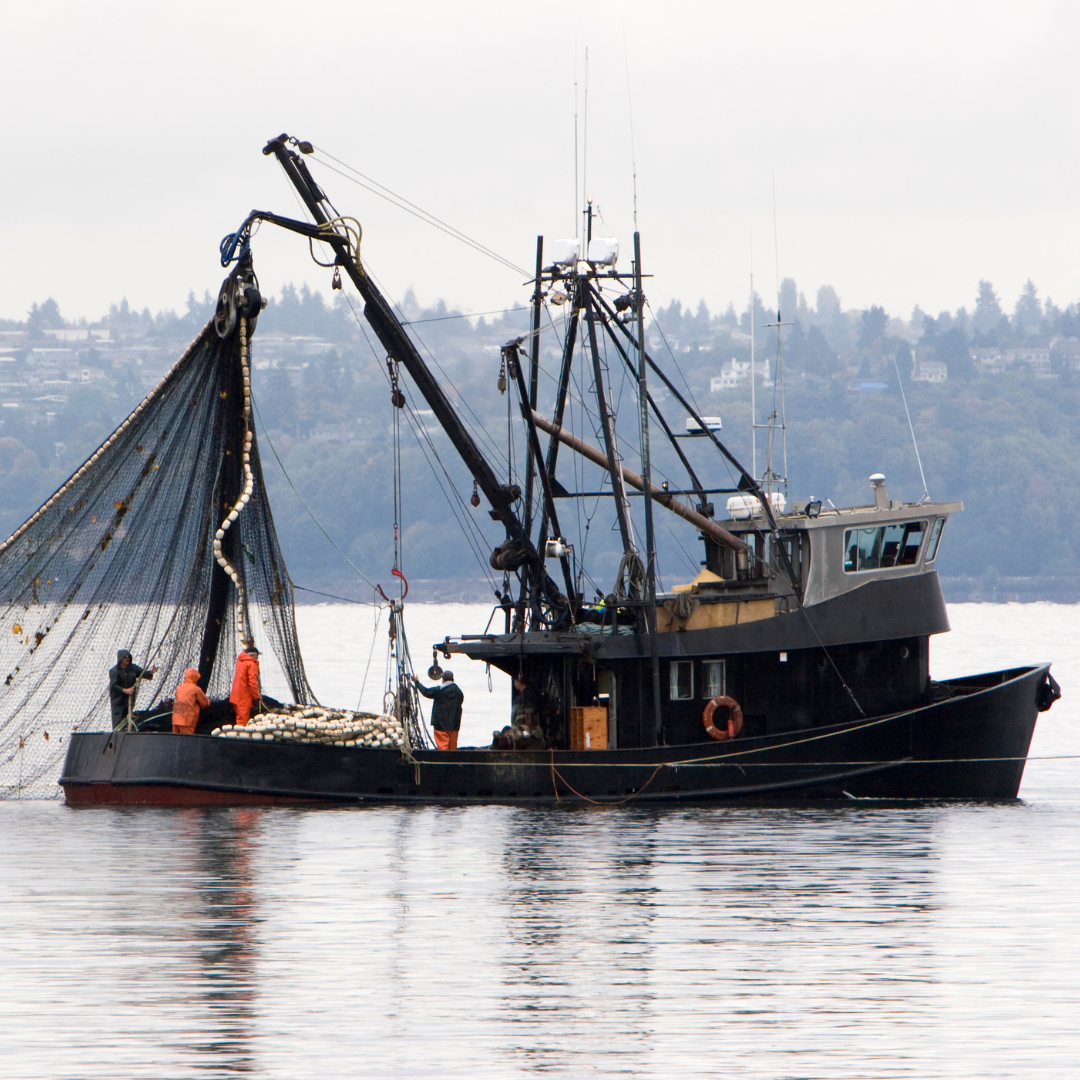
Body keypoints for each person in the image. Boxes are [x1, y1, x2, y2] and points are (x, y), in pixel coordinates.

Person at [413, 669, 463, 750]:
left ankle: (443, 760)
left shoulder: (439, 691)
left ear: (443, 679)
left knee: (442, 748)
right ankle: (453, 761)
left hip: (440, 726)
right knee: (453, 749)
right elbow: (460, 702)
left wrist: (417, 683)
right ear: (452, 679)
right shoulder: (458, 692)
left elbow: (426, 692)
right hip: (454, 725)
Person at [108, 649, 158, 730]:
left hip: (129, 700)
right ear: (121, 659)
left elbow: (142, 673)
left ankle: (127, 732)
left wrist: (151, 672)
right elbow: (114, 685)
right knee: (118, 720)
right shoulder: (114, 671)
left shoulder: (132, 668)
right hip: (118, 701)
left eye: (128, 657)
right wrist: (125, 690)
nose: (127, 659)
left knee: (128, 718)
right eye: (125, 657)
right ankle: (117, 734)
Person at [229, 642, 261, 727]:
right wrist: (257, 696)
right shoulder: (251, 664)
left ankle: (237, 735)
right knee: (243, 721)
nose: (257, 658)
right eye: (257, 655)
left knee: (239, 718)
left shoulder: (240, 662)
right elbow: (252, 682)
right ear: (253, 655)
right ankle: (240, 738)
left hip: (235, 695)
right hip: (244, 696)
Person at [172, 668, 210, 735]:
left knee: (175, 739)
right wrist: (208, 701)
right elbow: (205, 703)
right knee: (187, 740)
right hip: (187, 721)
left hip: (176, 719)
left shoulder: (179, 687)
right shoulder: (196, 689)